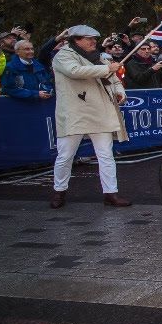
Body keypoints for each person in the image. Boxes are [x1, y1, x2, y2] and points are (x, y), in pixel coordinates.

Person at [50, 25, 131, 208]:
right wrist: (107, 68)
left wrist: (120, 93)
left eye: (95, 39)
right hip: (74, 112)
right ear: (76, 40)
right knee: (65, 156)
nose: (94, 41)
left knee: (106, 155)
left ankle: (111, 193)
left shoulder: (101, 57)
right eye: (89, 39)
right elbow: (75, 71)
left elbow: (115, 79)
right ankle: (59, 192)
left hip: (100, 111)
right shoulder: (63, 56)